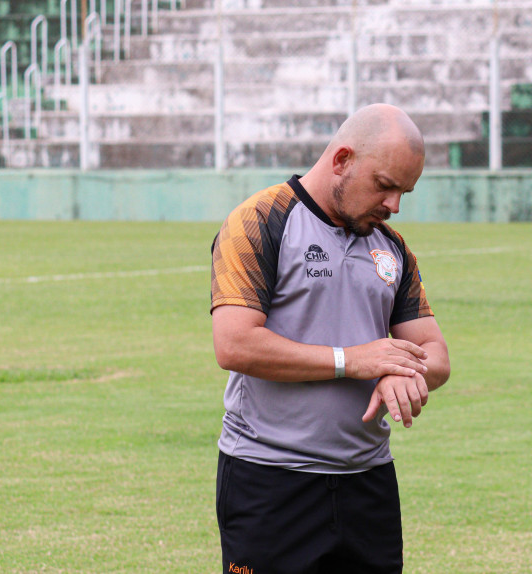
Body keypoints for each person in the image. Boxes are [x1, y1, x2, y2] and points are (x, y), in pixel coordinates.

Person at [210, 103, 451, 573]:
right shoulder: (259, 221)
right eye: (385, 185)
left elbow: (436, 353)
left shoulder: (393, 249)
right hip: (271, 481)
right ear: (342, 159)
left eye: (405, 192)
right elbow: (235, 345)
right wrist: (353, 360)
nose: (394, 205)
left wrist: (402, 371)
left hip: (368, 482)